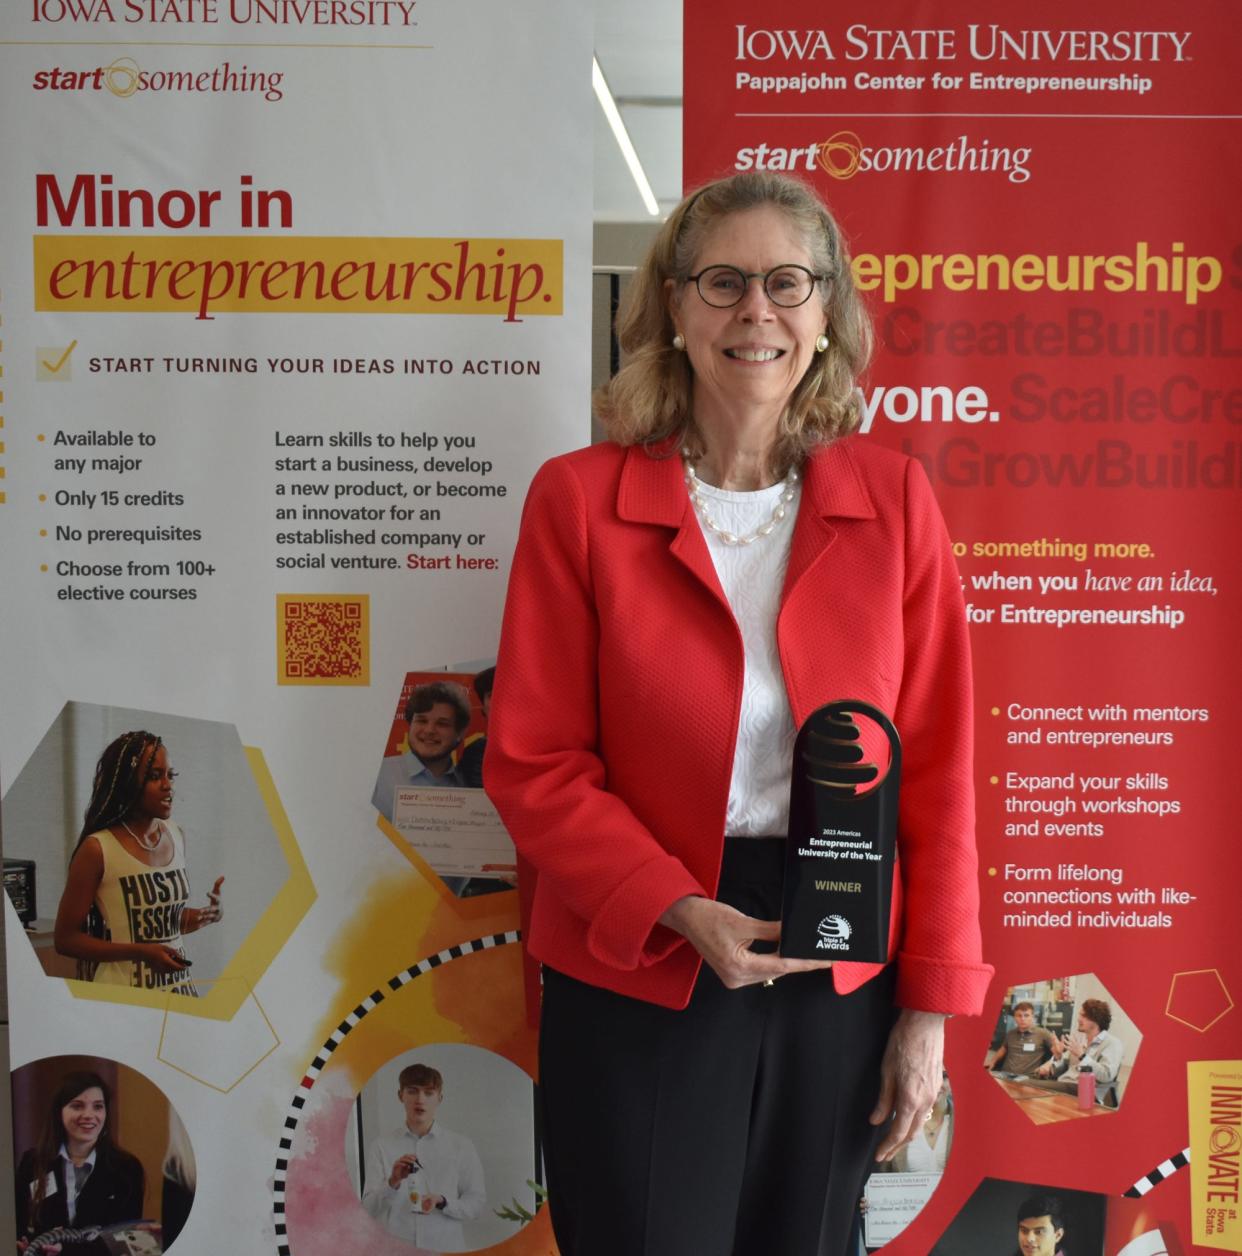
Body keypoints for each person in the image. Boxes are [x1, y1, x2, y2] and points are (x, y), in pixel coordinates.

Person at [485, 171, 992, 1256]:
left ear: (825, 319)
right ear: (672, 307)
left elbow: (939, 771)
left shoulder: (896, 501)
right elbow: (535, 760)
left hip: (840, 958)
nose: (755, 311)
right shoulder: (578, 500)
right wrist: (675, 904)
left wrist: (928, 1013)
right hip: (642, 944)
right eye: (722, 282)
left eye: (786, 282)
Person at [54, 731, 224, 995]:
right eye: (155, 777)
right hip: (121, 997)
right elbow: (65, 940)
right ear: (126, 784)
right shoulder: (98, 848)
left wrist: (207, 915)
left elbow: (164, 923)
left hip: (179, 993)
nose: (168, 785)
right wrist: (142, 953)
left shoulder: (176, 835)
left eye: (170, 775)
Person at [15, 1071, 146, 1253]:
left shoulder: (127, 1168)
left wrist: (66, 1251)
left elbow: (127, 1241)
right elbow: (18, 1224)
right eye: (77, 1106)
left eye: (98, 1107)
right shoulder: (32, 1163)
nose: (89, 1115)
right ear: (59, 1112)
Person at [361, 1063, 486, 1251]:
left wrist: (443, 1202)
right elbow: (368, 1210)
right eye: (412, 1091)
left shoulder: (461, 1146)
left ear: (439, 1098)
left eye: (429, 1093)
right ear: (400, 1095)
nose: (420, 1100)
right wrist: (393, 1182)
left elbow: (476, 1204)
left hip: (445, 1248)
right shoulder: (381, 1146)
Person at [371, 681, 473, 821]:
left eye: (442, 723)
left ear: (460, 733)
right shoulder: (377, 775)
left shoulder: (469, 786)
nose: (430, 730)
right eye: (422, 721)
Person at [1036, 997, 1123, 1089]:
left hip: (1084, 1090)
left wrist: (1082, 1056)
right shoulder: (1080, 1040)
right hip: (1065, 1084)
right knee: (1027, 1083)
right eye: (1080, 1015)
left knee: (1030, 1085)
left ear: (1096, 1020)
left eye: (1084, 1016)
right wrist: (1058, 1057)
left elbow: (1106, 1076)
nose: (1079, 1019)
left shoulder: (1112, 1043)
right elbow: (1061, 1071)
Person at [985, 1001, 1062, 1076]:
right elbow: (1003, 1049)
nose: (1022, 1019)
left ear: (1033, 1017)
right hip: (1004, 1074)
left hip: (1027, 1078)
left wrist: (1058, 1054)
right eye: (1019, 1015)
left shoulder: (1043, 1034)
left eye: (1026, 1015)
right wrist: (992, 1061)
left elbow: (1057, 1055)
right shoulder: (1010, 1033)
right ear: (1014, 1017)